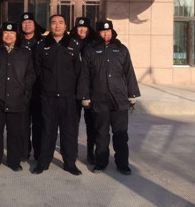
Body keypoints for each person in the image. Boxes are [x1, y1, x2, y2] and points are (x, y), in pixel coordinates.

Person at [78, 19, 140, 175]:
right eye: (103, 31)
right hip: (99, 99)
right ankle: (101, 162)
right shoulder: (91, 50)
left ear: (112, 32)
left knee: (121, 134)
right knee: (101, 134)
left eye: (108, 31)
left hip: (119, 100)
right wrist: (85, 96)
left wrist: (132, 93)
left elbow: (129, 72)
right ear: (98, 33)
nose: (106, 34)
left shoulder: (121, 49)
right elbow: (85, 75)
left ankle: (122, 164)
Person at [0, 22, 35, 172]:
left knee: (15, 133)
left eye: (12, 33)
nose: (9, 35)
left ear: (16, 35)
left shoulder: (24, 52)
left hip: (17, 98)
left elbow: (31, 73)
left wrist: (24, 88)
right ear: (1, 35)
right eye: (6, 32)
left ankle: (14, 162)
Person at [33, 14, 82, 176]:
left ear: (65, 26)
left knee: (69, 132)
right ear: (50, 26)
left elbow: (78, 71)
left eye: (61, 23)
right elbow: (37, 70)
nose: (57, 25)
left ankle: (70, 163)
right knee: (48, 131)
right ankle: (43, 162)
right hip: (48, 96)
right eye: (54, 23)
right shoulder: (42, 45)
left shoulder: (74, 45)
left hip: (68, 97)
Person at [69, 16, 97, 165]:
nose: (82, 30)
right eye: (80, 27)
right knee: (72, 123)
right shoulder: (69, 42)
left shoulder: (94, 43)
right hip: (73, 89)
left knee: (91, 124)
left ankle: (91, 153)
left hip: (90, 89)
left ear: (89, 28)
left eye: (85, 27)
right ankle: (72, 152)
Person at [19, 12, 46, 161]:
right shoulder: (17, 41)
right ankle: (24, 152)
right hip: (21, 89)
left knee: (39, 123)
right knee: (23, 124)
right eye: (24, 22)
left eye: (30, 22)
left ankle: (39, 152)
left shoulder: (42, 41)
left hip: (39, 88)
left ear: (35, 24)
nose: (27, 25)